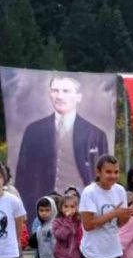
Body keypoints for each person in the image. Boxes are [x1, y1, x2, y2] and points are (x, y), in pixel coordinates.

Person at [14, 75, 109, 206]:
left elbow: (104, 176)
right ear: (49, 94)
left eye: (66, 91)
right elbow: (22, 177)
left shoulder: (96, 134)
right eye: (55, 91)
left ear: (78, 97)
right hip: (43, 208)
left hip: (83, 207)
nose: (59, 96)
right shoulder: (33, 131)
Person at [80, 156, 133, 258]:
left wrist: (129, 213)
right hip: (93, 254)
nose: (113, 176)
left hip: (113, 251)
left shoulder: (119, 190)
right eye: (108, 172)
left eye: (116, 172)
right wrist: (114, 213)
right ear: (98, 172)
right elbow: (88, 225)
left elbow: (120, 223)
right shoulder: (89, 192)